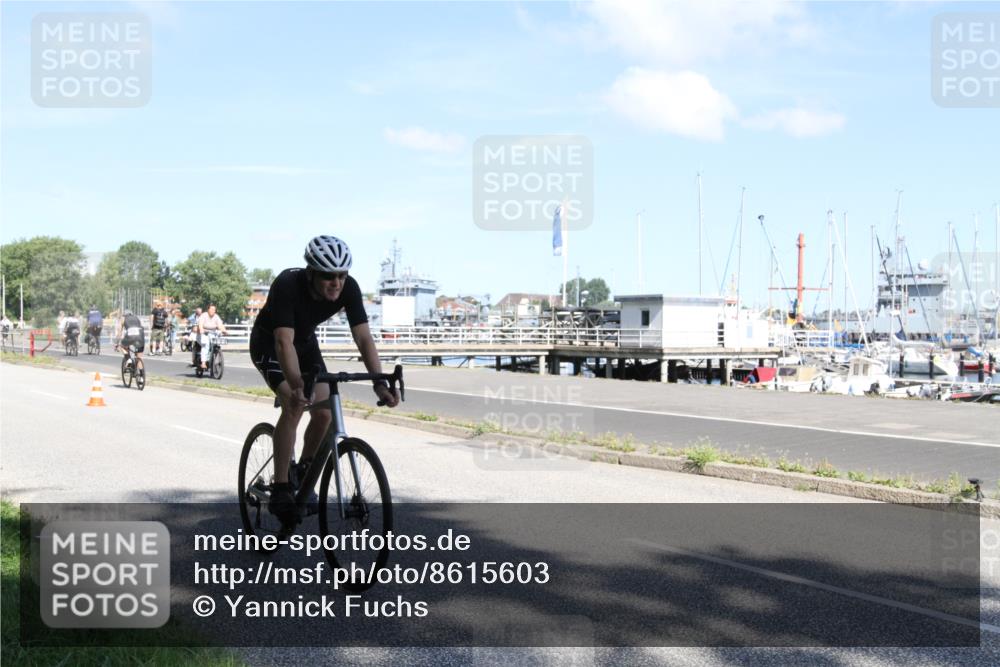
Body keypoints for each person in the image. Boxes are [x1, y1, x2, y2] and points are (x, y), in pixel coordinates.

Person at [250, 235, 399, 526]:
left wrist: (379, 382)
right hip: (270, 344)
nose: (337, 283)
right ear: (311, 273)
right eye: (329, 276)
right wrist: (295, 386)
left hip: (305, 345)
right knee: (294, 405)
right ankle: (281, 486)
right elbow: (283, 342)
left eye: (342, 275)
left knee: (325, 412)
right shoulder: (287, 284)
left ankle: (304, 471)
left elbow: (363, 337)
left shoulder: (349, 288)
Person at [196, 304, 227, 370]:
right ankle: (203, 363)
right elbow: (200, 324)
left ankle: (216, 358)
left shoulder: (216, 317)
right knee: (206, 345)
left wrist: (224, 331)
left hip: (213, 333)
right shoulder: (204, 315)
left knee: (216, 343)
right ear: (208, 309)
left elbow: (220, 325)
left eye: (214, 310)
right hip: (204, 333)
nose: (213, 311)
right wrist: (201, 329)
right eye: (212, 309)